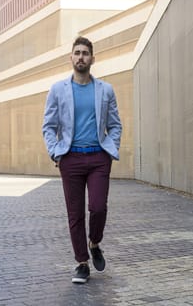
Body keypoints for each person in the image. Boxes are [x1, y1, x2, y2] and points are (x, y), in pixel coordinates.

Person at [42, 36, 122, 283]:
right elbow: (49, 126)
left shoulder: (105, 90)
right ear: (71, 58)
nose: (80, 57)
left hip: (98, 158)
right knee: (75, 214)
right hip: (71, 159)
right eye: (76, 53)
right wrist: (57, 152)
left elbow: (115, 125)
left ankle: (94, 242)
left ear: (92, 59)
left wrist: (110, 149)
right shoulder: (58, 90)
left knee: (98, 207)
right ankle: (82, 263)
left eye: (85, 53)